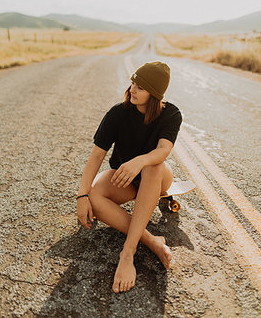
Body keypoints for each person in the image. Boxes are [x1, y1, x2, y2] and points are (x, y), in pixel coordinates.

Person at [76, 61, 182, 293]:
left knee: (153, 165)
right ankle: (152, 240)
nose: (132, 89)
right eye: (133, 83)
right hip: (126, 180)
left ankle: (128, 252)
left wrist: (140, 160)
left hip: (157, 178)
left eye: (140, 87)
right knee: (95, 195)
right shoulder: (117, 113)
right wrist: (82, 195)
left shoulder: (171, 114)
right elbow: (96, 157)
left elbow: (163, 150)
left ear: (154, 94)